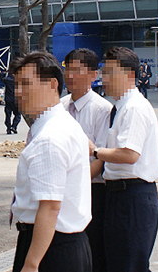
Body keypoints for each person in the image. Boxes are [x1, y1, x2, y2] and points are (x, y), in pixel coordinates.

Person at [10, 51, 92, 272]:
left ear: (52, 85)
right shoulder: (61, 123)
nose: (19, 92)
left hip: (51, 249)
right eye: (17, 85)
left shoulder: (50, 137)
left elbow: (50, 207)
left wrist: (31, 263)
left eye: (26, 84)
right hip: (65, 244)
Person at [89, 46, 158, 272]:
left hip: (133, 196)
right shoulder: (121, 108)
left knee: (129, 264)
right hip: (118, 195)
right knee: (116, 261)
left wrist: (95, 151)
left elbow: (129, 154)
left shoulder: (134, 108)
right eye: (104, 72)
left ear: (130, 75)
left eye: (111, 73)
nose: (105, 79)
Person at [62, 48, 112, 272]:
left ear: (94, 75)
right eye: (67, 70)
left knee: (92, 249)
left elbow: (101, 157)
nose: (70, 76)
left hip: (92, 191)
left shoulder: (103, 109)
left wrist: (77, 182)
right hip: (62, 189)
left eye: (77, 71)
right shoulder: (59, 107)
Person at [0, 65, 21, 134]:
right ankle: (14, 126)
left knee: (8, 114)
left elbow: (2, 78)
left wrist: (2, 72)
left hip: (8, 99)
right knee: (18, 114)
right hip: (17, 100)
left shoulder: (8, 80)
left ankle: (8, 128)